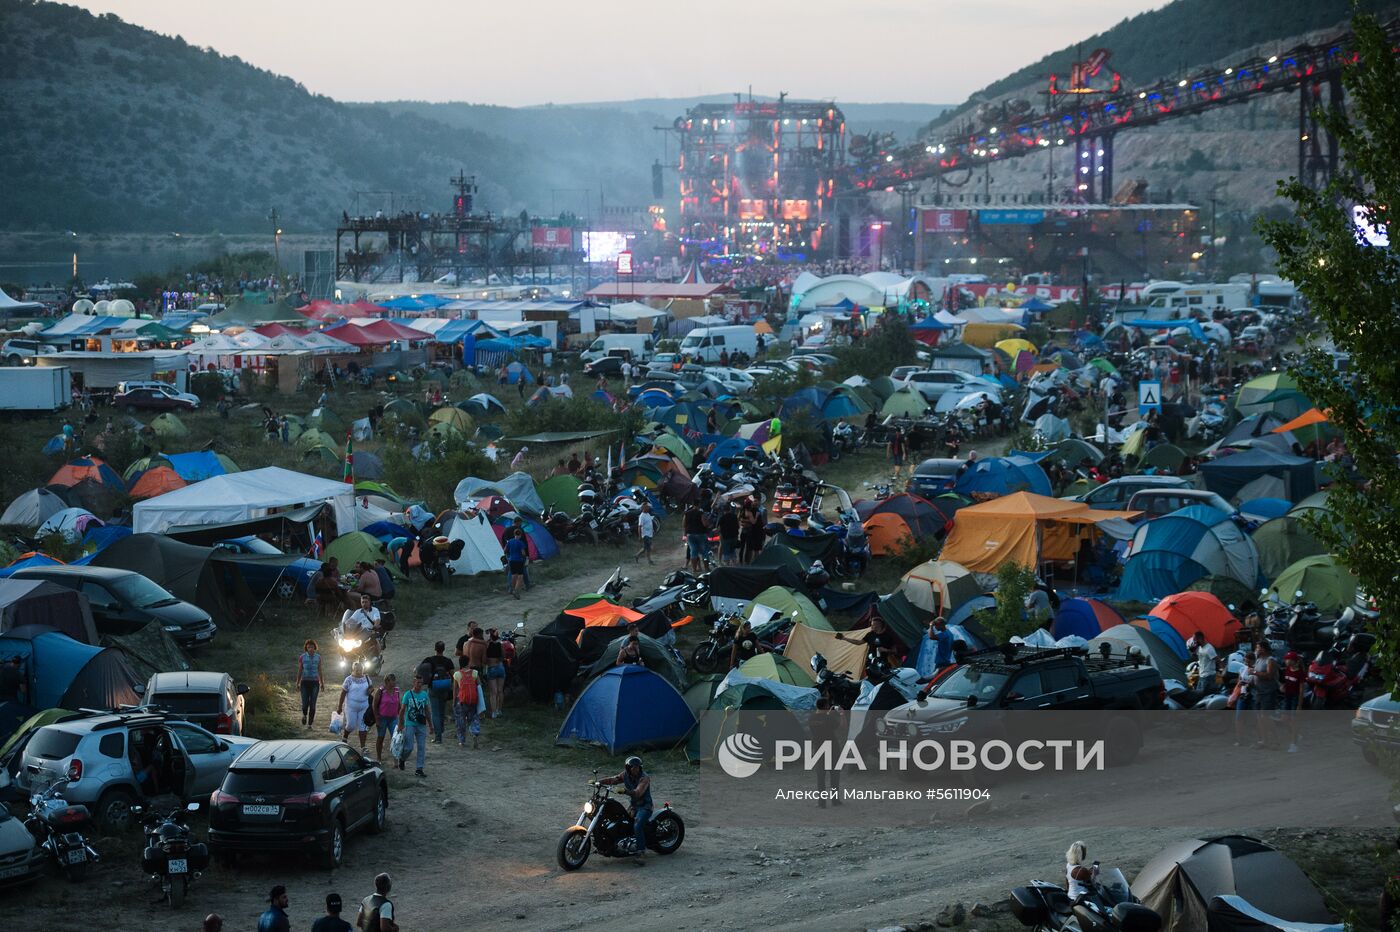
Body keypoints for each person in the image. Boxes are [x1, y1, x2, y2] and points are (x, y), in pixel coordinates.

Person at [598, 756, 653, 863]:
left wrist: (625, 791)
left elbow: (638, 793)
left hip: (645, 806)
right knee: (621, 821)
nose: (636, 769)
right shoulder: (625, 774)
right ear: (628, 768)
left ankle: (641, 852)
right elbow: (613, 779)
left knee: (637, 825)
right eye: (633, 767)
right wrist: (598, 782)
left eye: (638, 767)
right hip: (633, 806)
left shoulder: (644, 778)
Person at [836, 616, 901, 671]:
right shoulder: (870, 634)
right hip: (870, 662)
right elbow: (858, 642)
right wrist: (844, 638)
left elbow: (895, 651)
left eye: (873, 625)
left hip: (883, 663)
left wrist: (885, 650)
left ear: (878, 625)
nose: (871, 626)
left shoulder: (888, 637)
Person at [421, 642, 455, 744]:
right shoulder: (448, 661)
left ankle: (438, 737)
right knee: (441, 711)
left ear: (435, 649)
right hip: (445, 688)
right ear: (444, 649)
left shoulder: (429, 660)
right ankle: (441, 728)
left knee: (435, 713)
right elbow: (453, 675)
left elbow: (419, 670)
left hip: (433, 688)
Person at [397, 671, 430, 777]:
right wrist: (401, 724)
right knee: (408, 747)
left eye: (421, 683)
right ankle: (402, 759)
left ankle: (419, 769)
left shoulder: (424, 695)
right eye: (418, 683)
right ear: (414, 682)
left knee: (421, 747)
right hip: (410, 724)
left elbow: (427, 710)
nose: (420, 685)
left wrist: (431, 725)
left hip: (421, 724)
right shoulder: (407, 694)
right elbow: (402, 710)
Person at [336, 662, 373, 751]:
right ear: (353, 670)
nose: (359, 671)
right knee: (351, 725)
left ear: (363, 670)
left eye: (360, 670)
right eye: (357, 670)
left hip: (364, 707)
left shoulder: (367, 678)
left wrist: (370, 691)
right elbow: (343, 693)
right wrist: (339, 706)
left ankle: (363, 747)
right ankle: (345, 737)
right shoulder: (348, 679)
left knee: (362, 726)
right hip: (351, 707)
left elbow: (371, 687)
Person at [1252, 641, 1281, 749]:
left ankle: (1276, 741)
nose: (1256, 649)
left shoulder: (1270, 660)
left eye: (1258, 647)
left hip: (1268, 692)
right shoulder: (1259, 659)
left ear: (1263, 649)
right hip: (1259, 692)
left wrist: (1254, 673)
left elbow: (1269, 675)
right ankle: (1264, 741)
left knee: (1266, 717)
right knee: (1260, 718)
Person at [454, 657, 482, 749]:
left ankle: (461, 741)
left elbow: (455, 689)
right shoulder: (474, 673)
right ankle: (474, 733)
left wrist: (454, 701)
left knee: (460, 721)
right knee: (473, 718)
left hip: (461, 701)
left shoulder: (457, 674)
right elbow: (479, 686)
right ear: (468, 663)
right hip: (473, 700)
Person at [372, 673, 400, 761]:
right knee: (380, 737)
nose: (395, 682)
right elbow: (374, 705)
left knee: (395, 739)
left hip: (393, 718)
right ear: (387, 682)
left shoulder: (397, 691)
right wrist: (377, 718)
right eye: (393, 680)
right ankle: (379, 757)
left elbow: (399, 703)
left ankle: (396, 759)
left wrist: (400, 716)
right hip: (382, 718)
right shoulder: (381, 691)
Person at [1280, 650, 1303, 753]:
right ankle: (1296, 735)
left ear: (1293, 661)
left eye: (1288, 659)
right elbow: (1286, 683)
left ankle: (1294, 744)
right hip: (1287, 697)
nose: (1286, 661)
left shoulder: (1300, 673)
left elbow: (1301, 690)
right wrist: (1283, 687)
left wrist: (1299, 705)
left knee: (1294, 721)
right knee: (1284, 720)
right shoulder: (1287, 669)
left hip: (1295, 698)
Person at [297, 639, 323, 729]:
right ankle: (304, 715)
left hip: (315, 683)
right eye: (308, 647)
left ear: (314, 647)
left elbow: (320, 670)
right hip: (304, 682)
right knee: (305, 703)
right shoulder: (302, 657)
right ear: (306, 648)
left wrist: (322, 683)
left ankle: (310, 724)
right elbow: (300, 670)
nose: (310, 649)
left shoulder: (318, 657)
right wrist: (297, 683)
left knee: (312, 703)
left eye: (312, 647)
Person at [484, 628, 506, 718]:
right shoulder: (500, 645)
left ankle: (494, 713)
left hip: (491, 668)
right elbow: (503, 656)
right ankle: (499, 710)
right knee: (500, 691)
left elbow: (484, 657)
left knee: (493, 692)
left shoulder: (487, 645)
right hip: (500, 667)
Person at [683, 503, 708, 573]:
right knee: (704, 552)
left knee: (693, 552)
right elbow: (704, 524)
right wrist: (707, 523)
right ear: (698, 505)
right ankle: (706, 568)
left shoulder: (687, 513)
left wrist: (685, 533)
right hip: (700, 534)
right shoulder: (701, 513)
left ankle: (694, 569)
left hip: (690, 535)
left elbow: (684, 524)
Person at [505, 529, 528, 600]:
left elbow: (505, 550)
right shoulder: (521, 543)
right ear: (520, 535)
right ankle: (516, 590)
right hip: (519, 560)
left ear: (514, 534)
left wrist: (508, 556)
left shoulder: (510, 541)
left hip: (511, 560)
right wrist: (525, 558)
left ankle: (511, 588)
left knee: (513, 575)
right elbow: (523, 553)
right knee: (520, 576)